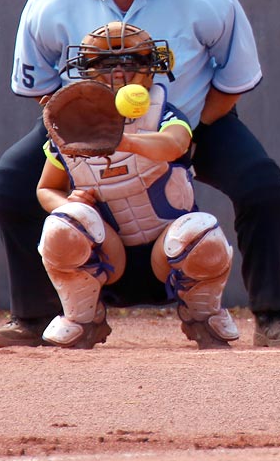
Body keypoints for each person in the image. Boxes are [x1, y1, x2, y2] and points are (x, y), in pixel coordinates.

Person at [0, 0, 280, 349]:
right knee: (9, 184)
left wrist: (180, 140)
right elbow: (42, 87)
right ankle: (33, 317)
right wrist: (78, 136)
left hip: (193, 120)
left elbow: (233, 80)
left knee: (261, 182)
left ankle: (273, 314)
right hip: (84, 126)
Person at [36, 21, 237, 349]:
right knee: (63, 225)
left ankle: (202, 315)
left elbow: (175, 145)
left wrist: (123, 141)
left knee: (202, 234)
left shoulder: (163, 115)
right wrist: (69, 203)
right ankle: (84, 318)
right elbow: (46, 189)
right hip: (106, 261)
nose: (118, 72)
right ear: (86, 70)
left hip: (168, 257)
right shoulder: (71, 128)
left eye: (130, 61)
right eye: (104, 63)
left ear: (149, 67)